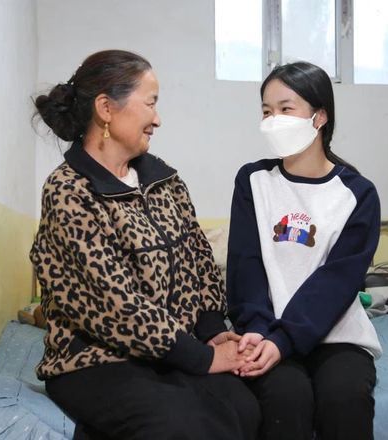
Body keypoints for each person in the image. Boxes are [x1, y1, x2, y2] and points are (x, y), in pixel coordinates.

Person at [31, 49, 259, 440]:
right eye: (150, 104)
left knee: (243, 406)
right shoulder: (69, 190)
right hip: (96, 360)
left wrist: (211, 331)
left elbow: (199, 259)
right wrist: (203, 358)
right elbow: (114, 302)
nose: (157, 119)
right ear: (106, 108)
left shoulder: (164, 180)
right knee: (183, 424)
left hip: (170, 352)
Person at [226, 61, 382, 440]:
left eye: (285, 108)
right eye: (266, 111)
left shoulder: (357, 194)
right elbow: (245, 267)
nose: (273, 120)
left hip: (337, 337)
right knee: (285, 397)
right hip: (266, 332)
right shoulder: (253, 181)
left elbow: (337, 282)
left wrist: (285, 340)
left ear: (319, 117)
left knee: (344, 398)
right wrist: (259, 332)